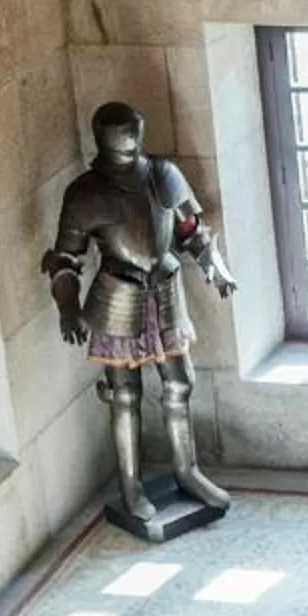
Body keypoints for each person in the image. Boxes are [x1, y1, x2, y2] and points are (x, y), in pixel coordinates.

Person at [44, 102, 237, 530]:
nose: (131, 137)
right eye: (123, 131)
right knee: (124, 395)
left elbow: (189, 229)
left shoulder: (163, 174)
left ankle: (188, 470)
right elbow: (65, 259)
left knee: (180, 383)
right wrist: (68, 308)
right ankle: (130, 486)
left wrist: (215, 269)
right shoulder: (84, 192)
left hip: (165, 285)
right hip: (117, 292)